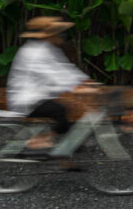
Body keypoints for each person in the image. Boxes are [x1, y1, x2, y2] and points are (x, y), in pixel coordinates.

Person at [7, 15, 96, 152]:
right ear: (48, 35)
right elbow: (54, 74)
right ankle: (38, 140)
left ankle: (62, 141)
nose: (61, 37)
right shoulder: (35, 53)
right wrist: (76, 87)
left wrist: (85, 82)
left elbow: (65, 68)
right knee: (61, 111)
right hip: (27, 100)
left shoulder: (46, 48)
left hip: (37, 97)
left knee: (63, 111)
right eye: (58, 34)